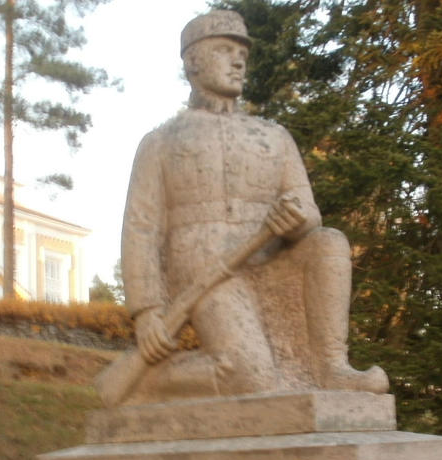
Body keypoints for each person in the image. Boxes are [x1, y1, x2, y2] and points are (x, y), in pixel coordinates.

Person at [117, 10, 387, 403]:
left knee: (329, 242)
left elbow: (309, 212)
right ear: (192, 60)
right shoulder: (162, 141)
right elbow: (141, 227)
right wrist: (147, 312)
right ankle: (153, 381)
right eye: (225, 49)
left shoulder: (274, 136)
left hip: (271, 261)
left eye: (242, 51)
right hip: (206, 272)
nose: (239, 60)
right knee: (251, 380)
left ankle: (332, 367)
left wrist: (295, 219)